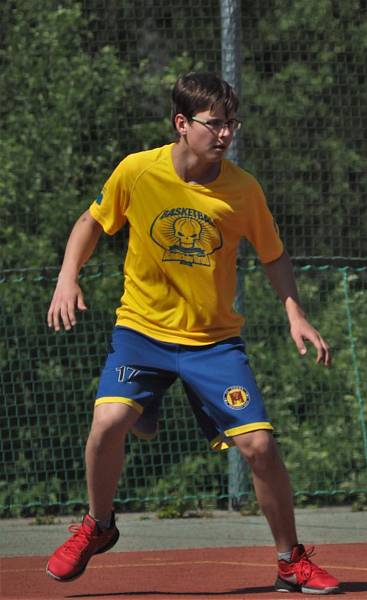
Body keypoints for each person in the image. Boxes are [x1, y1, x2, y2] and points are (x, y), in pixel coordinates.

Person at [44, 72, 340, 595]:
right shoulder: (138, 171)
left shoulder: (243, 189)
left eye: (231, 123)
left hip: (213, 342)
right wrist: (68, 277)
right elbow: (90, 223)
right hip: (141, 332)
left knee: (261, 448)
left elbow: (273, 256)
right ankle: (98, 524)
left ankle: (289, 560)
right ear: (182, 124)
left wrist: (296, 313)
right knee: (108, 421)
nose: (226, 133)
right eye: (215, 123)